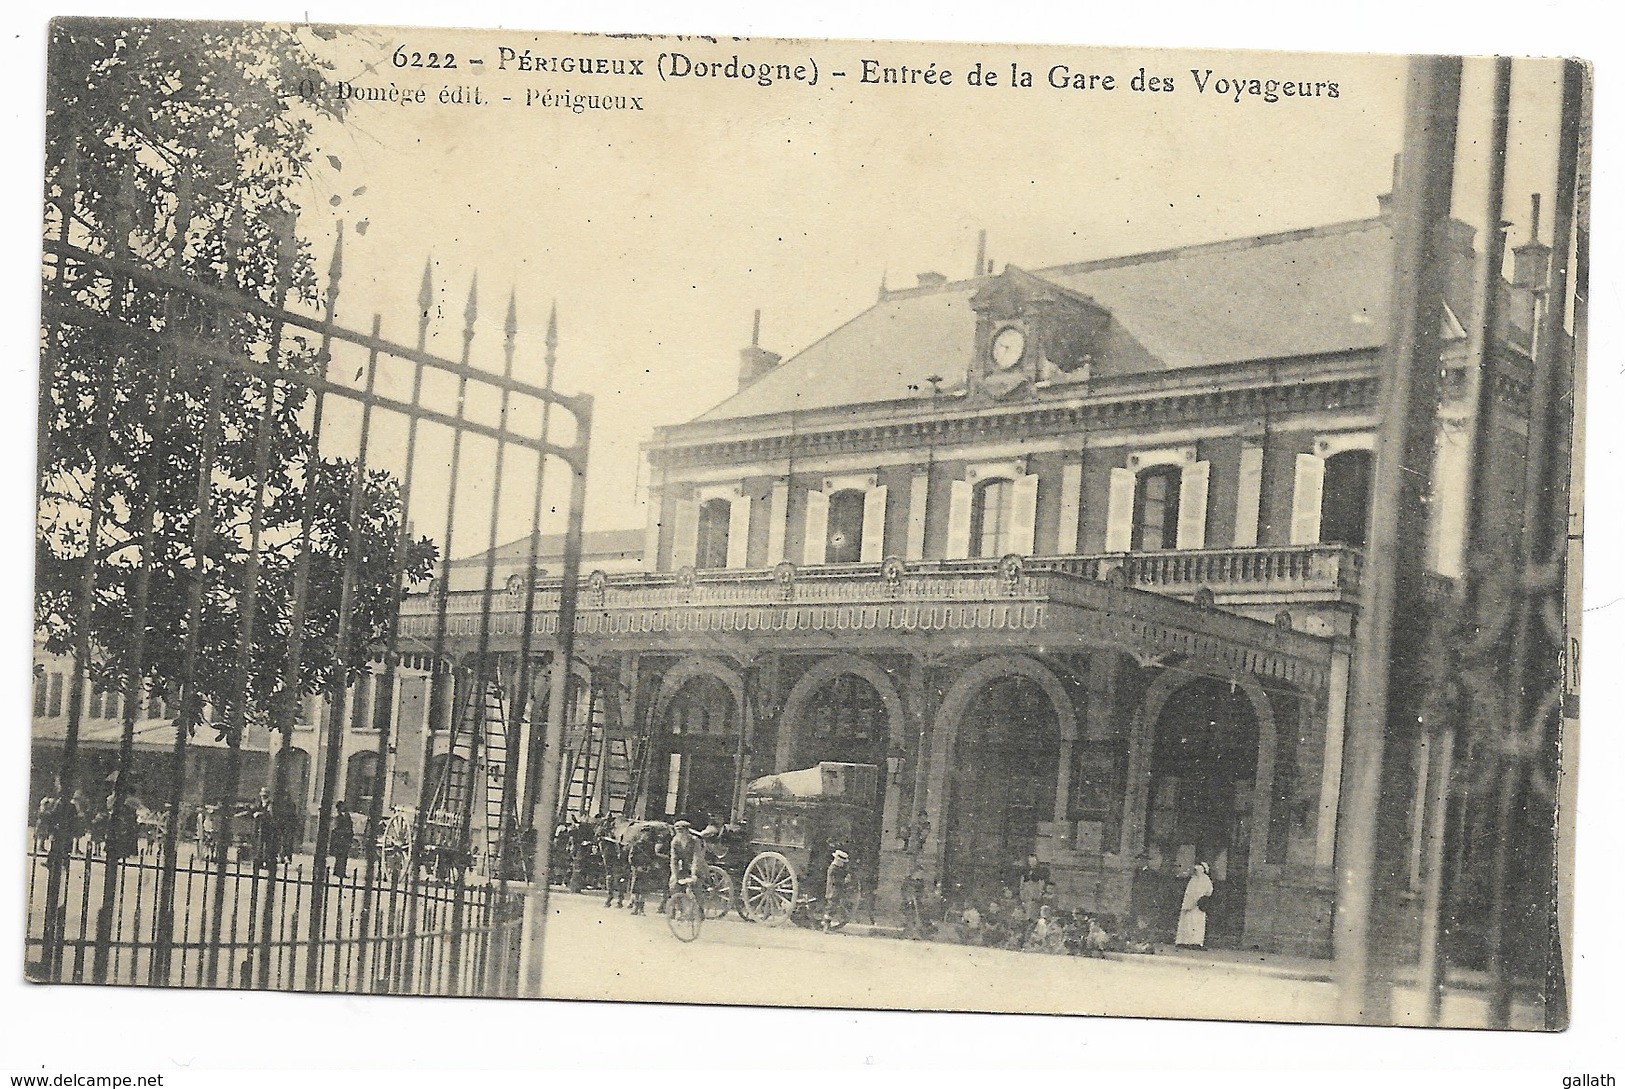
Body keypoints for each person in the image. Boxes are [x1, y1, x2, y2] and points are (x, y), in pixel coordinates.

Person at [666, 820, 707, 911]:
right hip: (684, 866)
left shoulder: (695, 841)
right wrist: (674, 874)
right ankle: (678, 909)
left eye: (682, 831)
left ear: (687, 831)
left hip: (697, 866)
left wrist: (694, 874)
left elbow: (696, 858)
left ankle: (700, 910)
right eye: (678, 831)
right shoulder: (675, 842)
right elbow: (674, 859)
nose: (680, 834)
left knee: (696, 886)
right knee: (674, 885)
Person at [1176, 861, 1214, 949]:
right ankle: (1184, 941)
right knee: (1187, 922)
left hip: (1198, 906)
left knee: (1197, 923)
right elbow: (1188, 892)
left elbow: (1209, 891)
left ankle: (1196, 942)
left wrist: (1201, 899)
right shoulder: (1193, 879)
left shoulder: (1205, 879)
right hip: (1189, 905)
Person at [821, 849, 851, 931]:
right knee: (830, 908)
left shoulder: (837, 868)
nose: (842, 864)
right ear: (837, 860)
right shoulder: (833, 868)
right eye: (841, 862)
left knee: (833, 908)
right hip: (833, 892)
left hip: (836, 891)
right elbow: (834, 881)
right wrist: (844, 880)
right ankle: (826, 927)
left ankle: (827, 925)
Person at [328, 799, 354, 880]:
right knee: (340, 856)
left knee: (344, 856)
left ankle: (341, 871)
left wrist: (350, 834)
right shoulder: (338, 817)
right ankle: (338, 871)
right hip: (340, 839)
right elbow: (335, 828)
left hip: (345, 838)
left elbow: (350, 826)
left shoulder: (347, 816)